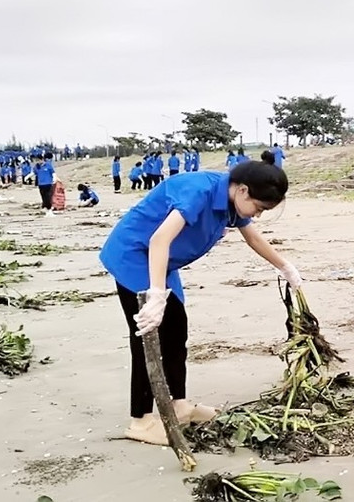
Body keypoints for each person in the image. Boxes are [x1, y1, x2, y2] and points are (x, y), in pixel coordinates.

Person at [98, 151, 301, 445]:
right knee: (146, 337)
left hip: (162, 262)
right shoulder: (199, 191)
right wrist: (155, 295)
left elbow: (253, 237)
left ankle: (178, 405)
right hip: (134, 255)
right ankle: (140, 421)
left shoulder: (232, 199)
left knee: (176, 330)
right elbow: (159, 239)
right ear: (243, 190)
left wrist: (285, 267)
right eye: (258, 207)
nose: (257, 214)